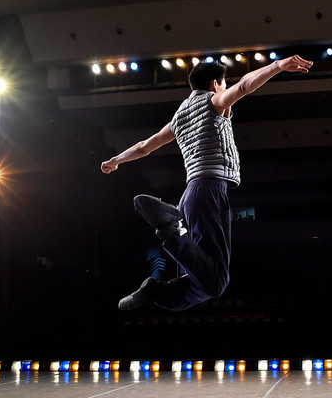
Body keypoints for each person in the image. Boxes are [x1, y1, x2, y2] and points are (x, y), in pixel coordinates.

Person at [101, 55, 313, 311]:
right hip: (209, 192)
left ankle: (156, 290)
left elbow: (145, 146)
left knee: (197, 285)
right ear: (215, 84)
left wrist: (116, 159)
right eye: (224, 85)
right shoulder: (213, 101)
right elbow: (245, 86)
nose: (225, 90)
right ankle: (170, 229)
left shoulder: (179, 117)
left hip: (192, 196)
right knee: (216, 282)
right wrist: (277, 66)